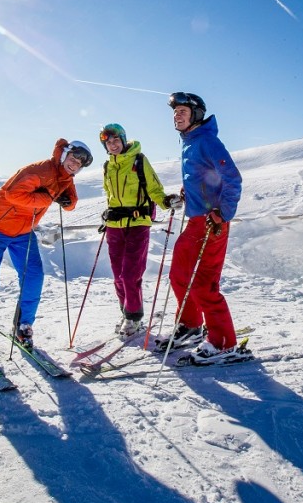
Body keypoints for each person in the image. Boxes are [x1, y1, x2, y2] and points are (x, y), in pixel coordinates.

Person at [0, 139, 92, 355]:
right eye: (73, 158)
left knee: (34, 276)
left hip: (23, 232)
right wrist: (48, 198)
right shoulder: (39, 170)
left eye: (79, 163)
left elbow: (71, 203)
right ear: (64, 155)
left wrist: (66, 202)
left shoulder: (66, 178)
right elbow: (13, 194)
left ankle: (23, 326)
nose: (75, 164)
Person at [163, 92, 245, 361]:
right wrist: (188, 192)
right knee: (179, 275)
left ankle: (223, 342)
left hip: (213, 223)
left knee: (203, 283)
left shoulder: (207, 140)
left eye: (183, 111)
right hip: (195, 221)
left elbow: (232, 178)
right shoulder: (189, 142)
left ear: (196, 114)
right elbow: (204, 176)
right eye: (175, 112)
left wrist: (223, 212)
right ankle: (190, 325)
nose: (178, 115)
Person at [97, 122, 178, 337]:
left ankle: (134, 318)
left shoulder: (139, 160)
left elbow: (154, 188)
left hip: (138, 223)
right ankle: (126, 312)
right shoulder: (107, 166)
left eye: (116, 140)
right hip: (114, 226)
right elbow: (110, 195)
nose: (113, 145)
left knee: (130, 274)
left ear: (123, 140)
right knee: (117, 275)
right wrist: (107, 213)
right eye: (108, 142)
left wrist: (166, 202)